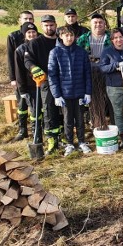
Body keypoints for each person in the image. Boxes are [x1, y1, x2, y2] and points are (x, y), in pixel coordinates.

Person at [47, 27, 92, 156]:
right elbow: (52, 75)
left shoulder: (81, 52)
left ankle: (82, 142)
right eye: (66, 35)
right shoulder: (55, 53)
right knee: (67, 120)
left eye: (71, 35)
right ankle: (70, 143)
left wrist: (87, 92)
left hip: (79, 92)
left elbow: (87, 73)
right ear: (61, 36)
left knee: (80, 119)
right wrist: (57, 95)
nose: (69, 38)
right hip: (65, 94)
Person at [24, 15, 63, 155]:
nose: (49, 28)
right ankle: (51, 139)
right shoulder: (35, 43)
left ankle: (62, 136)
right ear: (42, 26)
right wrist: (34, 68)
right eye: (46, 25)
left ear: (56, 25)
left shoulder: (61, 40)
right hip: (46, 81)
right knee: (49, 110)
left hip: (63, 80)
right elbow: (28, 60)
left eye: (51, 25)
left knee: (64, 110)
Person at [7, 10, 34, 141]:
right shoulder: (13, 37)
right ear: (20, 20)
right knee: (22, 105)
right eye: (25, 19)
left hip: (34, 78)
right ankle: (23, 129)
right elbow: (11, 59)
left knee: (35, 106)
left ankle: (36, 129)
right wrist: (13, 78)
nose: (28, 21)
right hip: (20, 77)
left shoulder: (36, 36)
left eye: (30, 19)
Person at [14, 22, 41, 143]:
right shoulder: (20, 50)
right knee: (34, 110)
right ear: (25, 35)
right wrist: (22, 89)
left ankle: (41, 130)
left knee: (41, 110)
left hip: (41, 83)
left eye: (33, 32)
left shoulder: (41, 45)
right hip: (29, 86)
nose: (31, 34)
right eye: (29, 33)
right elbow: (19, 71)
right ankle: (35, 133)